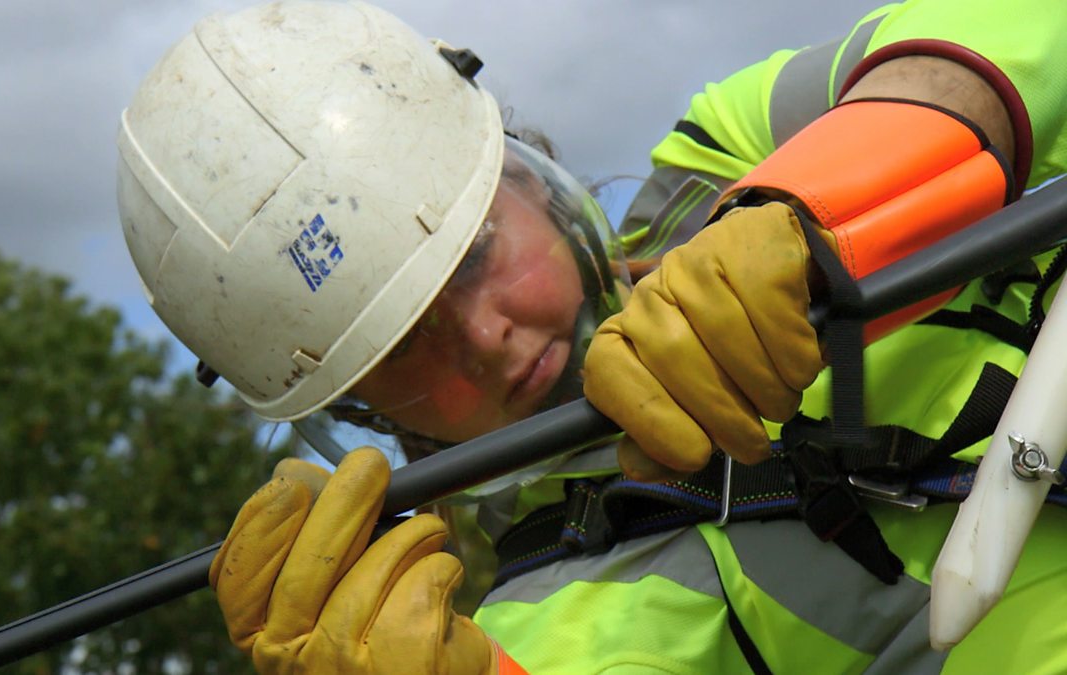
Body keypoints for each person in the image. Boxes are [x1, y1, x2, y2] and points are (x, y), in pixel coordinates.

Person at [116, 0, 1067, 672]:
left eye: (474, 256)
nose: (484, 334)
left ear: (522, 178)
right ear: (360, 410)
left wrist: (811, 213)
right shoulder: (537, 627)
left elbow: (1016, 25)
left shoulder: (727, 153)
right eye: (404, 348)